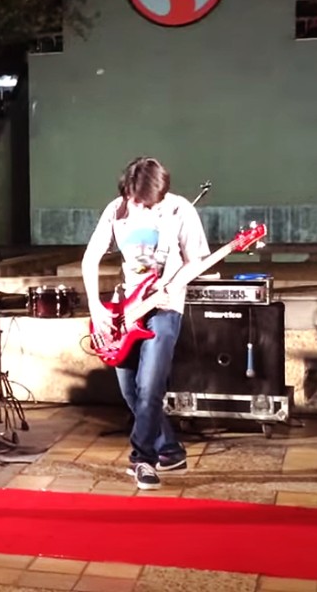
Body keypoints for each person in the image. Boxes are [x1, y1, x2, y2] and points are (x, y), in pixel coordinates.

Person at [81, 156, 209, 490]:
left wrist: (173, 284)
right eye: (136, 201)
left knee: (150, 385)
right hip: (128, 308)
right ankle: (170, 450)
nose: (141, 207)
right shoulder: (116, 210)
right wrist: (96, 306)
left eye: (148, 203)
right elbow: (90, 257)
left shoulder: (180, 211)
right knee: (130, 390)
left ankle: (143, 459)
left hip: (165, 308)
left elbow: (196, 262)